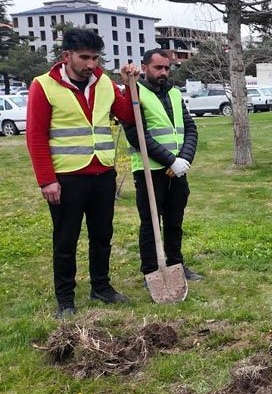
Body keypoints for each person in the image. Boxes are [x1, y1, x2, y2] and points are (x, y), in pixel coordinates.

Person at [26, 28, 137, 319]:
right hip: (67, 178)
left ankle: (101, 286)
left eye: (95, 58)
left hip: (103, 174)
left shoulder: (104, 83)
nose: (91, 64)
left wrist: (129, 86)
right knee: (66, 240)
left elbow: (125, 115)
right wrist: (47, 180)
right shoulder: (43, 86)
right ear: (67, 56)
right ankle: (65, 299)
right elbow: (36, 136)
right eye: (84, 58)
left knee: (102, 235)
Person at [124, 48, 202, 287]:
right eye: (158, 67)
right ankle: (151, 271)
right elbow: (137, 135)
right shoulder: (135, 94)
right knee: (150, 223)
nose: (163, 72)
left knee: (174, 221)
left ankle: (176, 264)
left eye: (167, 68)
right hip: (150, 170)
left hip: (177, 169)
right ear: (145, 67)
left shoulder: (175, 94)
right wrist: (170, 160)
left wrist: (183, 160)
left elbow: (190, 129)